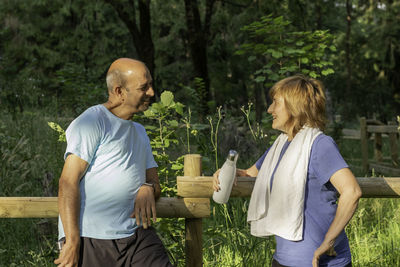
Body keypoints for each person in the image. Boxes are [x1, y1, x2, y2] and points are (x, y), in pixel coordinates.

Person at [213, 75, 362, 267]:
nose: (269, 110)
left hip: (322, 262)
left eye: (275, 103)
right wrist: (224, 173)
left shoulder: (319, 145)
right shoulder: (281, 145)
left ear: (294, 105)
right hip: (284, 259)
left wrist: (328, 241)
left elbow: (352, 191)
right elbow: (248, 174)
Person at [54, 58, 173, 267]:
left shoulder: (140, 132)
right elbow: (67, 182)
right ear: (119, 91)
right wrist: (72, 242)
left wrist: (148, 188)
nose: (152, 93)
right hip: (92, 237)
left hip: (136, 235)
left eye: (151, 85)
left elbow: (155, 184)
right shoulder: (92, 121)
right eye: (144, 87)